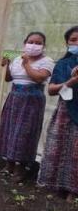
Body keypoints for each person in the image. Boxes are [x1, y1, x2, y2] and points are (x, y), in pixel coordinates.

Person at [0, 32, 55, 182]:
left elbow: (38, 77)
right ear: (25, 43)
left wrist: (27, 63)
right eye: (31, 42)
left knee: (24, 133)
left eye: (38, 42)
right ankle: (8, 165)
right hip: (14, 97)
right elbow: (9, 78)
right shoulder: (17, 59)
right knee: (9, 130)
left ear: (43, 46)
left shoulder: (47, 61)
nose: (33, 45)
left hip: (31, 101)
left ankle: (20, 169)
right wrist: (7, 65)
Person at [37, 26, 78, 200]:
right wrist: (71, 80)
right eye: (73, 40)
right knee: (59, 149)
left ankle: (73, 192)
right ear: (67, 43)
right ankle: (57, 187)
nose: (76, 43)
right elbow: (52, 90)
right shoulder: (63, 64)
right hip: (65, 112)